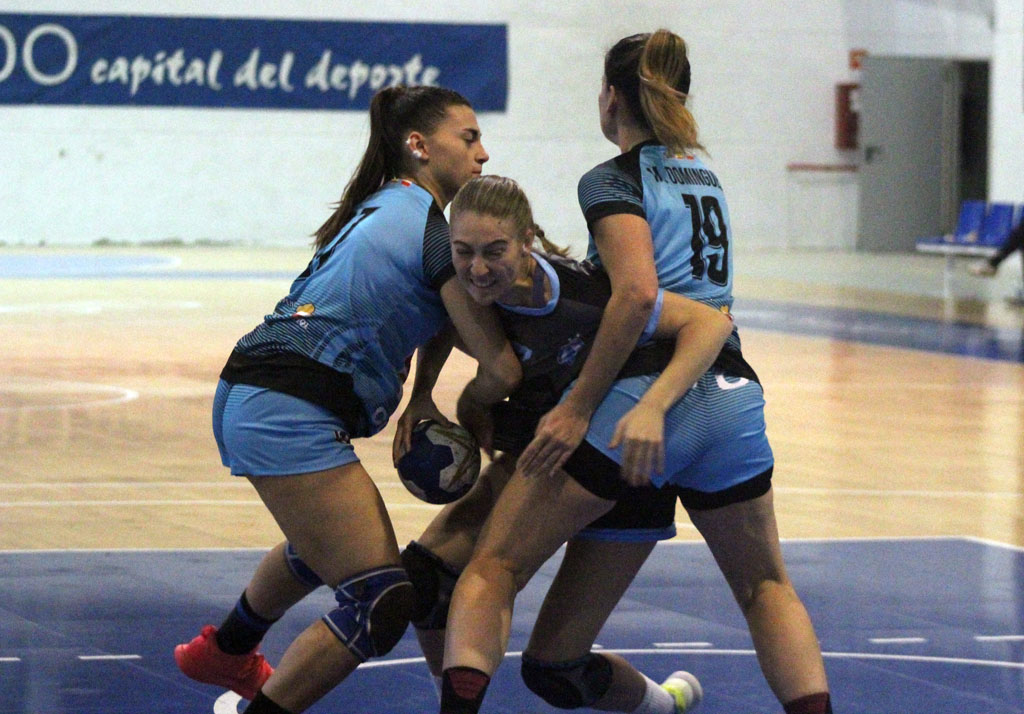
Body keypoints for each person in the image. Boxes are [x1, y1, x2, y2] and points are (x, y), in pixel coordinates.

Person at [430, 28, 832, 714]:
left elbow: (639, 294)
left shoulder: (612, 179)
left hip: (647, 398)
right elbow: (710, 308)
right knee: (766, 589)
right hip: (731, 398)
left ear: (611, 98)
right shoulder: (704, 175)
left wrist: (582, 405)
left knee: (492, 568)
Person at [172, 85, 521, 714]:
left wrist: (421, 395)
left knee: (325, 542)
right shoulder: (432, 231)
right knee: (379, 601)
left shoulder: (387, 203)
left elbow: (440, 313)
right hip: (287, 406)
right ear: (419, 145)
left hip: (259, 389)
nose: (483, 153)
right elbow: (497, 362)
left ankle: (226, 649)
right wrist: (487, 410)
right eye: (469, 138)